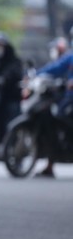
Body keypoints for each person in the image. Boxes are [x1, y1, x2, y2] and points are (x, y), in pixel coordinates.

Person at [32, 45, 73, 178]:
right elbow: (55, 68)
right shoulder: (70, 58)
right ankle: (50, 165)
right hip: (67, 98)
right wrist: (35, 74)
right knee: (53, 122)